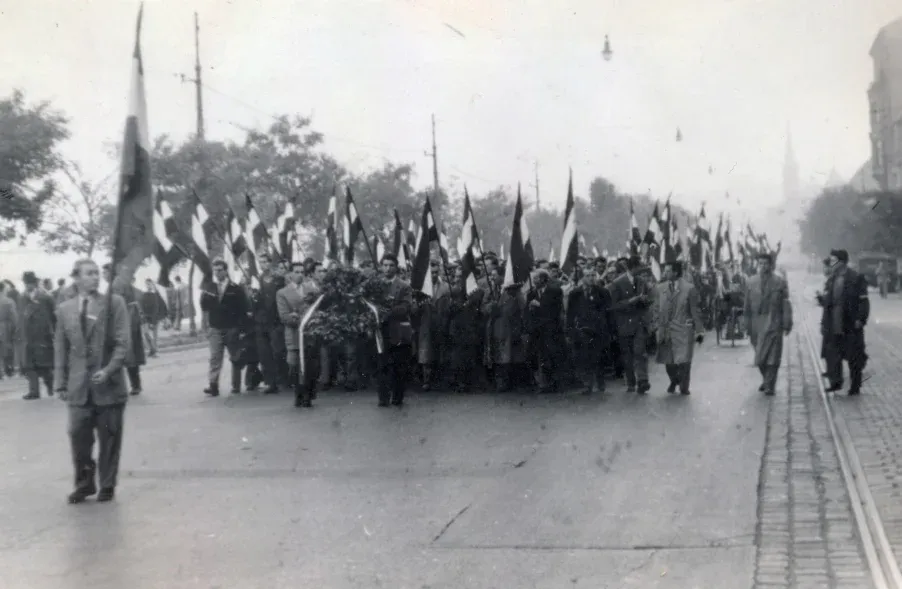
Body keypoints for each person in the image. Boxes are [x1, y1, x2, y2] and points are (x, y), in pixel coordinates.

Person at [53, 258, 131, 504]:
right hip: (78, 387)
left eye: (97, 273)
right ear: (76, 278)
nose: (95, 278)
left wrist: (108, 370)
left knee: (110, 438)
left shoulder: (114, 303)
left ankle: (107, 484)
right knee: (78, 435)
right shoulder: (64, 309)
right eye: (89, 274)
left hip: (108, 385)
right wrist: (60, 382)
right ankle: (85, 483)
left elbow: (123, 342)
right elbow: (60, 348)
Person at [817, 249, 869, 395]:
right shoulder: (832, 278)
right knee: (833, 353)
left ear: (842, 262)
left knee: (854, 355)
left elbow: (863, 301)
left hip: (850, 322)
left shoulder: (856, 277)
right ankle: (836, 382)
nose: (831, 263)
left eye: (833, 261)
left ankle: (855, 385)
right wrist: (823, 322)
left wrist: (861, 319)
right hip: (833, 322)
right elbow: (828, 303)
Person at [744, 252, 793, 395]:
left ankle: (770, 385)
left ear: (771, 265)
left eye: (766, 263)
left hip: (774, 322)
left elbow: (786, 304)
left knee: (773, 357)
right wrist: (745, 324)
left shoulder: (779, 282)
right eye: (760, 264)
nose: (763, 266)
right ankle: (767, 379)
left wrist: (787, 323)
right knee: (760, 358)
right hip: (756, 324)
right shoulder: (751, 282)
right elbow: (746, 306)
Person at [200, 258, 249, 397]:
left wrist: (241, 330)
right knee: (215, 357)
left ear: (226, 271)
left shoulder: (235, 288)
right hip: (215, 327)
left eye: (220, 270)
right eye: (215, 270)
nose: (217, 273)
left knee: (235, 356)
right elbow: (204, 307)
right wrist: (205, 326)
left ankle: (236, 385)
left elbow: (243, 309)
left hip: (232, 327)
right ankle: (213, 385)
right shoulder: (210, 288)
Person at [654, 261, 704, 395]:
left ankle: (684, 387)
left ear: (676, 272)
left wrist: (699, 331)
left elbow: (695, 311)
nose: (664, 273)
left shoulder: (689, 288)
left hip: (683, 330)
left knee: (684, 361)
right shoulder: (660, 288)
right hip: (665, 330)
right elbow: (655, 308)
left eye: (668, 271)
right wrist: (656, 325)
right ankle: (674, 380)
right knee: (668, 362)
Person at [606, 256, 652, 394]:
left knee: (640, 352)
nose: (642, 269)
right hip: (624, 323)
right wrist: (632, 300)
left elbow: (648, 300)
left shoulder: (641, 281)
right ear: (633, 267)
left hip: (638, 322)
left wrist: (645, 300)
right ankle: (631, 382)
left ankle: (643, 380)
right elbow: (612, 306)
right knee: (627, 355)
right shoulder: (616, 284)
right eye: (640, 267)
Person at [277, 261, 318, 407]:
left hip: (309, 335)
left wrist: (297, 315)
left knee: (309, 366)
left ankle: (307, 395)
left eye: (302, 272)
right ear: (290, 274)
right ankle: (298, 394)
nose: (300, 275)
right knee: (294, 366)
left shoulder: (311, 290)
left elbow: (316, 311)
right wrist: (297, 318)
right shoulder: (282, 293)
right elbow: (284, 317)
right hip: (293, 336)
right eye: (296, 272)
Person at [103, 265, 145, 395]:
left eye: (104, 273)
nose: (103, 275)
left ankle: (125, 386)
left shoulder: (115, 285)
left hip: (124, 323)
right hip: (130, 322)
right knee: (129, 356)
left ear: (110, 273)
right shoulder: (120, 283)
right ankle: (135, 385)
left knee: (124, 355)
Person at [378, 254, 413, 407]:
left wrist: (387, 311)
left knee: (399, 365)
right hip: (380, 330)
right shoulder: (375, 285)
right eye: (385, 265)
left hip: (398, 330)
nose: (387, 268)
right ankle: (383, 397)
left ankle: (397, 396)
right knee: (382, 364)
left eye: (391, 265)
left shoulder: (404, 286)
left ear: (396, 267)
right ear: (381, 267)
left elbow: (405, 307)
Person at [19, 271, 56, 399]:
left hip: (43, 334)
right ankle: (34, 391)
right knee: (29, 366)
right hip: (28, 336)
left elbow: (54, 315)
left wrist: (54, 331)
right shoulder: (22, 297)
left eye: (29, 283)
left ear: (34, 283)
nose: (27, 285)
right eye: (25, 283)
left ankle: (50, 385)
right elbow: (21, 316)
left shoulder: (45, 297)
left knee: (44, 365)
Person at [139, 278, 168, 357]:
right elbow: (141, 306)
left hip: (154, 318)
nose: (148, 285)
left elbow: (156, 308)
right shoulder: (143, 294)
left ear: (152, 284)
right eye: (147, 284)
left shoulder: (155, 294)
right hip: (145, 318)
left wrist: (153, 321)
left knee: (154, 335)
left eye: (149, 283)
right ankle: (152, 349)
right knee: (146, 334)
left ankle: (154, 351)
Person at [0, 282, 18, 379]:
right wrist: (16, 328)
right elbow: (14, 316)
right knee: (8, 349)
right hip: (5, 327)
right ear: (3, 289)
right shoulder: (8, 301)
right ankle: (9, 370)